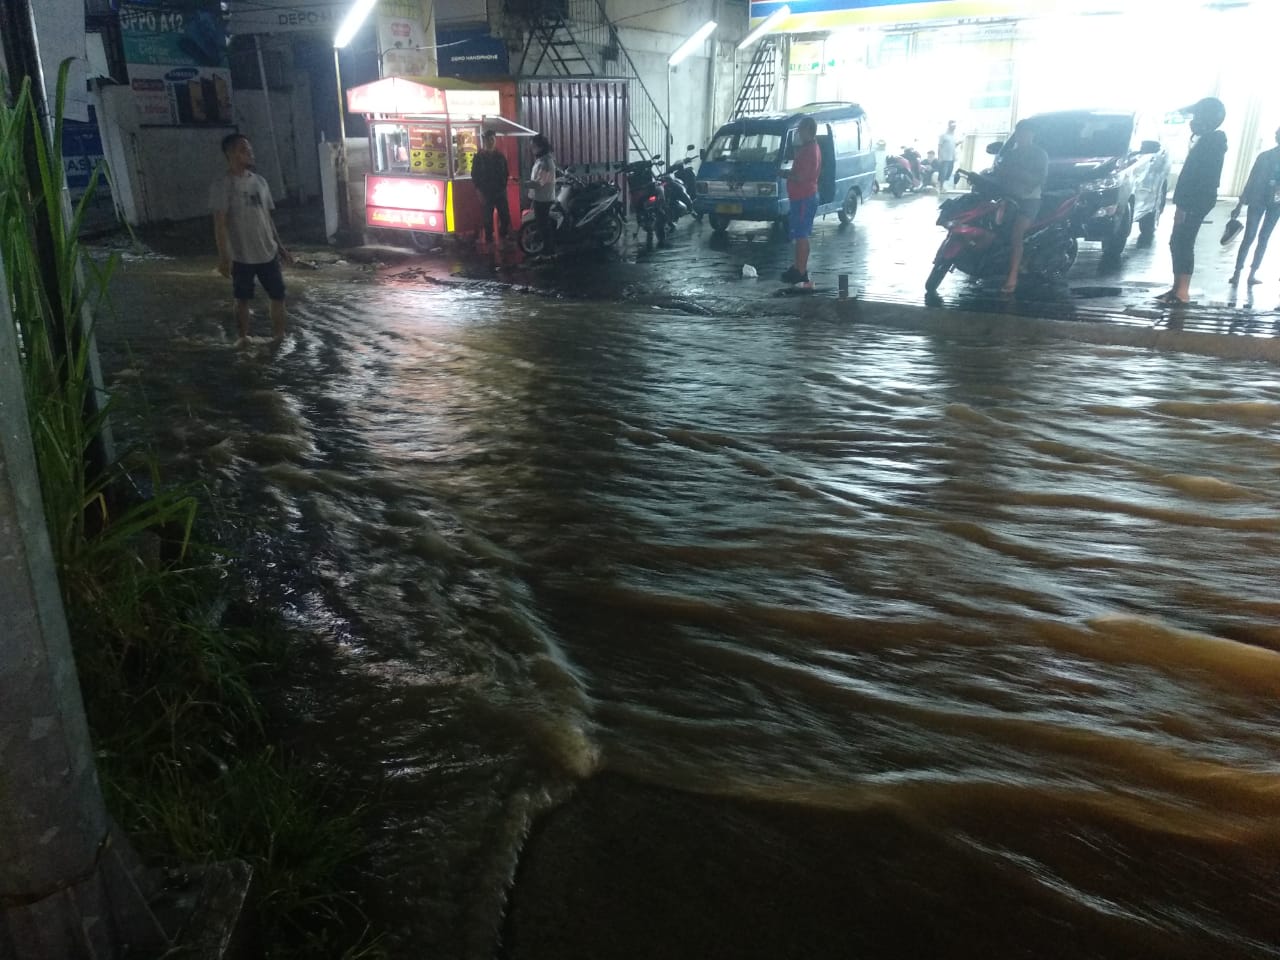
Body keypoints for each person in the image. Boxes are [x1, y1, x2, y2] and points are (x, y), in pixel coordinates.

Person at [209, 133, 291, 341]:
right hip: (241, 255)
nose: (250, 153)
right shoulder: (223, 185)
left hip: (267, 252)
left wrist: (280, 248)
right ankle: (243, 338)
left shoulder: (261, 182)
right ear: (230, 154)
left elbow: (267, 218)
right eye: (244, 150)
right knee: (242, 299)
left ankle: (279, 337)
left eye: (249, 149)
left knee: (278, 296)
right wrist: (224, 258)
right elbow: (219, 223)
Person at [1157, 97, 1227, 305]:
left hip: (1194, 201)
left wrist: (1184, 206)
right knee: (1178, 241)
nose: (1193, 121)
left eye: (1198, 116)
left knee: (1183, 242)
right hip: (1193, 201)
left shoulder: (1212, 142)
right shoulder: (1209, 141)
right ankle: (1177, 288)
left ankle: (1182, 291)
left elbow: (1198, 178)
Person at [992, 119, 1048, 294]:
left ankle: (1012, 277)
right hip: (1007, 199)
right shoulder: (1010, 154)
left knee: (1016, 234)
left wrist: (1014, 174)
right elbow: (999, 175)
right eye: (1018, 132)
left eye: (1025, 133)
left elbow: (1037, 180)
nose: (1021, 136)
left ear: (1032, 135)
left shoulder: (1039, 155)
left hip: (1029, 201)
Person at [1229, 126, 1280, 287]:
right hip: (1272, 202)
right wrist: (1240, 202)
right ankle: (1249, 273)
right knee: (1261, 237)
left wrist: (1240, 203)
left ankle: (1239, 273)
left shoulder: (1264, 156)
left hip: (1262, 200)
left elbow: (1251, 180)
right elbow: (1252, 179)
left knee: (1251, 237)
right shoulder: (1264, 157)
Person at [781, 116, 821, 289]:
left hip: (805, 197)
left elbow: (801, 177)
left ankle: (801, 271)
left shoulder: (810, 151)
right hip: (800, 197)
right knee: (798, 235)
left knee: (802, 235)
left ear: (807, 130)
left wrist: (785, 174)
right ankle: (797, 267)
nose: (798, 133)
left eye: (800, 129)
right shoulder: (808, 149)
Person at [471, 130, 511, 248]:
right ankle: (489, 241)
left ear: (495, 140)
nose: (490, 142)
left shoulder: (500, 156)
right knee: (487, 219)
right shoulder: (479, 157)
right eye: (488, 140)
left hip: (500, 192)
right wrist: (479, 191)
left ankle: (503, 238)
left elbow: (506, 173)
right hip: (486, 192)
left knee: (505, 217)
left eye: (492, 140)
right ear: (484, 141)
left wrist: (503, 187)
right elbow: (475, 175)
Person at [526, 134, 557, 257]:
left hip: (544, 199)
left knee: (543, 226)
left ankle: (549, 251)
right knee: (541, 224)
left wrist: (524, 184)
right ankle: (546, 249)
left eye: (533, 146)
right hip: (539, 197)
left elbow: (540, 183)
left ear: (540, 146)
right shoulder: (542, 160)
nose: (532, 148)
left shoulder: (546, 162)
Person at [937, 120, 958, 193]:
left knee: (949, 172)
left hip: (952, 158)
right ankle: (941, 187)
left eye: (955, 126)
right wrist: (939, 157)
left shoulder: (953, 137)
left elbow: (953, 146)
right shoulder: (943, 136)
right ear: (949, 126)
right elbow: (939, 146)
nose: (954, 127)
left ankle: (942, 185)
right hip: (944, 158)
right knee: (943, 172)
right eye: (952, 126)